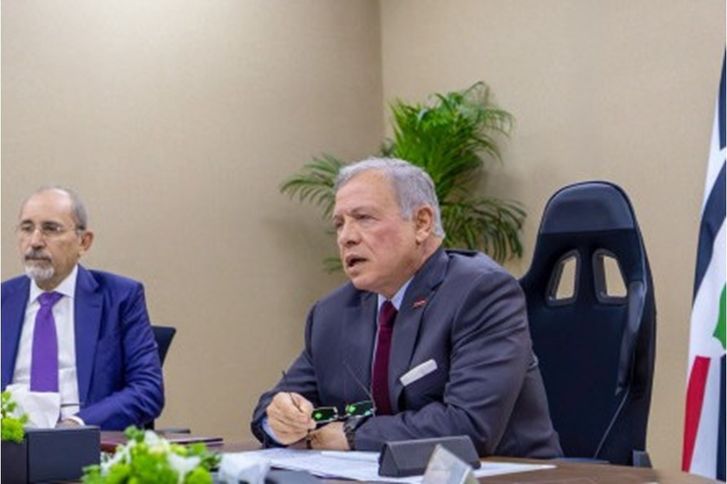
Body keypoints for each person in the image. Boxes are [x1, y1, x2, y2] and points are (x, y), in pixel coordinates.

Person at [251, 158, 562, 457]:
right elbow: (273, 406)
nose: (346, 238)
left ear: (421, 223)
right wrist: (279, 419)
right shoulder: (331, 313)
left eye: (364, 218)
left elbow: (468, 426)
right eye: (339, 224)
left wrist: (349, 434)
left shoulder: (481, 292)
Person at [1, 186, 164, 430]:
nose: (35, 241)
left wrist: (77, 425)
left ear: (83, 242)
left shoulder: (120, 298)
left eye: (50, 229)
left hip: (86, 440)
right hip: (9, 442)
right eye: (27, 228)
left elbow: (147, 389)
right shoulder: (4, 301)